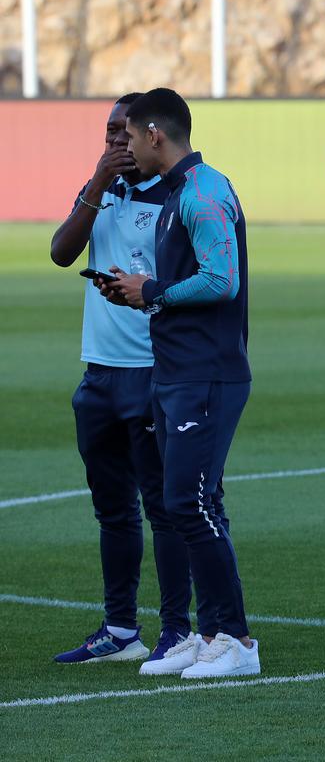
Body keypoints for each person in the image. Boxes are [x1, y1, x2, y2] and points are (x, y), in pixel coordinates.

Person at [96, 87, 259, 679]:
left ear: (156, 134)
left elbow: (222, 281)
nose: (125, 146)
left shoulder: (204, 191)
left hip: (207, 374)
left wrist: (153, 292)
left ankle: (236, 641)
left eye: (131, 136)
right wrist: (139, 287)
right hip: (176, 371)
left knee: (189, 503)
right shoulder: (179, 195)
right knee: (189, 501)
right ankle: (211, 630)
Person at [48, 93, 196, 673]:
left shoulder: (176, 195)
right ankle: (120, 628)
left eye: (122, 131)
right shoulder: (101, 191)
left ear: (147, 132)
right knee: (112, 510)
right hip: (99, 373)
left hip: (153, 373)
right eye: (108, 131)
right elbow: (62, 252)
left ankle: (179, 631)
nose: (114, 141)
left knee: (164, 509)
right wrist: (94, 184)